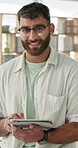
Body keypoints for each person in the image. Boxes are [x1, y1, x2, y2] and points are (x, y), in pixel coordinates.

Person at [0, 2, 78, 148]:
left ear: (52, 29)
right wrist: (6, 124)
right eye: (25, 30)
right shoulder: (3, 73)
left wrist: (44, 136)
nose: (32, 37)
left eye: (39, 29)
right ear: (19, 31)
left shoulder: (73, 71)